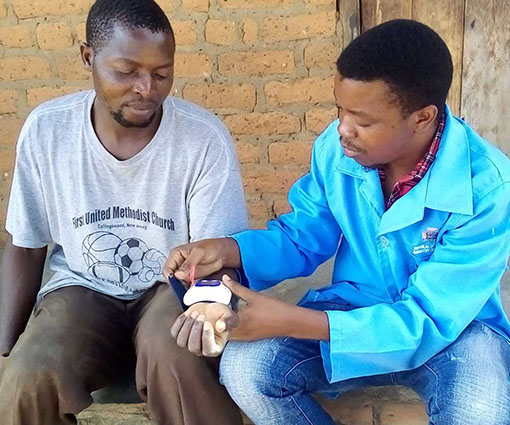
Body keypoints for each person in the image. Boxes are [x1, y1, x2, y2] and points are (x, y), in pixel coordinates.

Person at [166, 19, 510, 425]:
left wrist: (287, 320)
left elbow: (429, 318)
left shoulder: (486, 186)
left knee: (480, 409)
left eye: (363, 120)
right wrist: (229, 249)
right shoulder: (336, 150)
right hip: (352, 309)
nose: (343, 131)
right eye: (340, 110)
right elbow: (304, 235)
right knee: (246, 369)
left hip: (453, 333)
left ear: (422, 118)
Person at [0, 0, 247, 424]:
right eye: (127, 71)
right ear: (88, 57)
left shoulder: (202, 139)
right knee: (29, 373)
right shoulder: (47, 131)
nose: (146, 88)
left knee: (177, 354)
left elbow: (217, 258)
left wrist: (209, 315)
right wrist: (6, 348)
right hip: (80, 289)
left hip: (170, 290)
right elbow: (25, 246)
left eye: (161, 73)